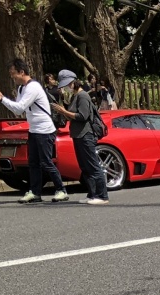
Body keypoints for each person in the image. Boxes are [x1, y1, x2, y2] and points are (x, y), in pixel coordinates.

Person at [0, 58, 67, 203]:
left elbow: (19, 108)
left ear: (22, 72)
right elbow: (19, 110)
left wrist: (1, 98)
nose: (12, 77)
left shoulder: (33, 87)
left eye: (13, 73)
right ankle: (35, 192)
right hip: (34, 130)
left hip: (45, 130)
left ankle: (61, 190)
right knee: (33, 163)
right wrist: (3, 99)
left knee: (46, 162)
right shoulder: (22, 88)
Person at [51, 71, 109, 204]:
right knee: (84, 166)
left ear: (73, 82)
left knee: (93, 165)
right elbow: (71, 116)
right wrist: (63, 110)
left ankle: (102, 195)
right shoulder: (74, 97)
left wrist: (64, 111)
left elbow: (83, 116)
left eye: (67, 85)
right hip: (78, 135)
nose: (65, 88)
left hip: (86, 134)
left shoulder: (83, 96)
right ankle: (92, 194)